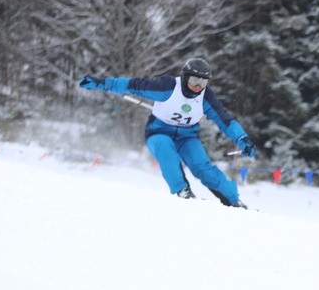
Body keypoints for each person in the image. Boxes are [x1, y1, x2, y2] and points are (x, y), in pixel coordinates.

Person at [79, 58, 255, 208]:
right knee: (166, 150)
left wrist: (242, 139)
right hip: (158, 132)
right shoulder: (168, 86)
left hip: (187, 137)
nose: (197, 87)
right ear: (185, 77)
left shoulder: (206, 97)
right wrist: (101, 83)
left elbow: (225, 121)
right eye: (194, 81)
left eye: (203, 83)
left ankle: (233, 201)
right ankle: (182, 190)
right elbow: (134, 85)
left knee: (203, 167)